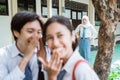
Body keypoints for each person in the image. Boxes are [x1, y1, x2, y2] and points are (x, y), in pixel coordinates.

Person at [38, 16, 99, 80]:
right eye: (50, 37)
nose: (55, 43)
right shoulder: (54, 67)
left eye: (60, 35)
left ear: (72, 36)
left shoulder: (82, 71)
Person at [0, 11, 51, 80]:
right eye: (30, 31)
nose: (35, 36)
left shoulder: (45, 53)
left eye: (39, 32)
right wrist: (25, 59)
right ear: (16, 33)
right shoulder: (3, 55)